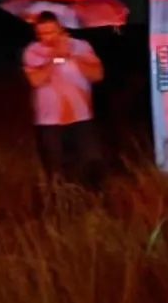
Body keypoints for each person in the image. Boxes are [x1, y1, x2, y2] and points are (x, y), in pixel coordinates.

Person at [22, 11, 106, 187]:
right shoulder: (33, 51)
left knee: (90, 166)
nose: (46, 38)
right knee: (55, 170)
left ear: (61, 29)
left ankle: (90, 199)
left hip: (81, 117)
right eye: (41, 34)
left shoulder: (82, 47)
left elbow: (97, 75)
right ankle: (58, 201)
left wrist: (73, 57)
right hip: (49, 121)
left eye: (51, 32)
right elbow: (36, 80)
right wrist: (55, 58)